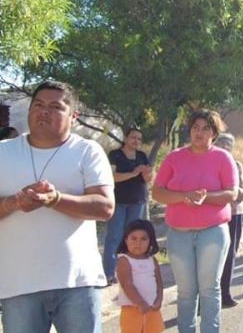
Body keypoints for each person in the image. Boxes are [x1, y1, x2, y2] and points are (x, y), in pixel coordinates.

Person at [0, 80, 115, 332]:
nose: (44, 111)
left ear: (73, 116)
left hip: (78, 283)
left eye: (55, 107)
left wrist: (56, 200)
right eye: (38, 105)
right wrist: (13, 202)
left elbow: (105, 207)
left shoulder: (87, 151)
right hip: (18, 285)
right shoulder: (2, 153)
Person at [152, 110, 238, 333]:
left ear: (214, 133)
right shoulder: (174, 157)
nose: (199, 132)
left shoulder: (222, 158)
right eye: (195, 128)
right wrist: (183, 197)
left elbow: (232, 193)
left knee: (210, 289)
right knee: (186, 291)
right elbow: (158, 192)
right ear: (189, 130)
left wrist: (205, 197)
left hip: (213, 233)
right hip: (178, 234)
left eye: (205, 128)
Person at [104, 126, 152, 283]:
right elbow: (111, 177)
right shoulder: (115, 155)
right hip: (118, 202)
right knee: (114, 237)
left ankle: (132, 271)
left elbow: (147, 179)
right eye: (133, 137)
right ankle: (109, 273)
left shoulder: (142, 156)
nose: (136, 141)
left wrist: (145, 172)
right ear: (125, 138)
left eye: (139, 138)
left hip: (137, 202)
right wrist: (133, 173)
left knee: (134, 238)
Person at [213, 133, 243, 309]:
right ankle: (209, 295)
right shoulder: (209, 163)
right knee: (211, 255)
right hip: (213, 215)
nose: (224, 147)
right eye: (221, 143)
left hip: (234, 214)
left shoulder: (236, 165)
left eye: (228, 144)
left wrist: (231, 192)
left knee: (229, 254)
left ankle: (225, 293)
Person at [115, 219, 164, 333]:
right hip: (132, 309)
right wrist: (140, 303)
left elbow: (159, 282)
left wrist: (159, 299)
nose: (138, 243)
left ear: (150, 241)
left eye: (143, 239)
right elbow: (127, 284)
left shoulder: (152, 260)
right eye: (133, 238)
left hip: (152, 308)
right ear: (126, 240)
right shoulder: (124, 260)